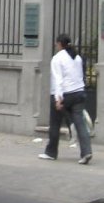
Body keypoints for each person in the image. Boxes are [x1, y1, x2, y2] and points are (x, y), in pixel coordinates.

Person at [38, 34, 93, 165]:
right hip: (79, 93)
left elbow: (58, 80)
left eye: (56, 44)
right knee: (80, 124)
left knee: (55, 123)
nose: (55, 46)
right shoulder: (77, 57)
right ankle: (86, 152)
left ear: (59, 44)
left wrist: (58, 99)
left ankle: (51, 152)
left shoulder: (57, 58)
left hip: (65, 94)